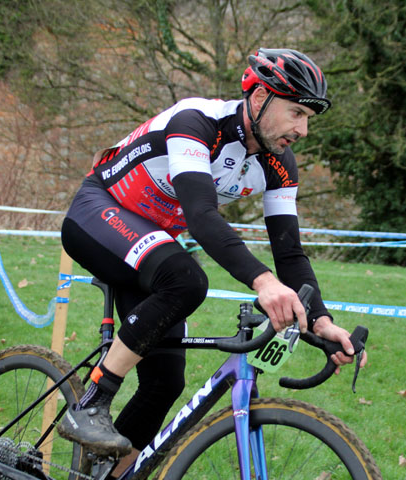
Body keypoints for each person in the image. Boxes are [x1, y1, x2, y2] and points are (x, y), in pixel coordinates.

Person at [57, 47, 367, 475]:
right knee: (186, 280)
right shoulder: (196, 122)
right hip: (98, 212)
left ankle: (101, 475)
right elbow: (202, 218)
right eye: (297, 113)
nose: (305, 129)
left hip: (151, 243)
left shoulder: (280, 164)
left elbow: (289, 251)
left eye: (310, 117)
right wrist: (263, 282)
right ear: (259, 98)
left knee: (165, 382)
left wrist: (320, 320)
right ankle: (91, 402)